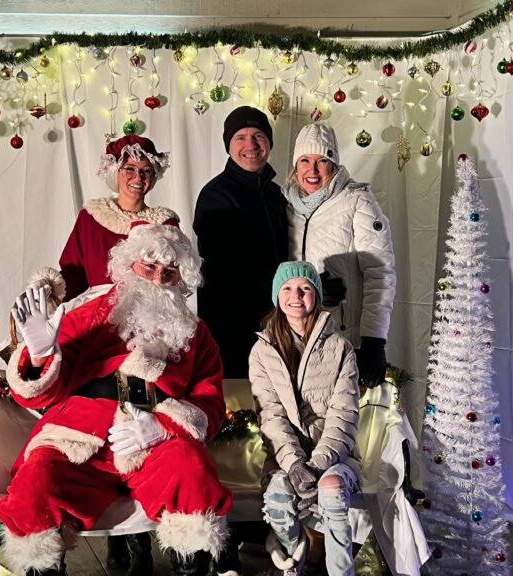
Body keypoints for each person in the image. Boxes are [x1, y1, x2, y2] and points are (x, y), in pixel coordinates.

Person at [0, 221, 232, 576]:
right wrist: (41, 354)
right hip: (79, 436)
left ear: (181, 278)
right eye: (148, 267)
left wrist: (164, 427)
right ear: (129, 265)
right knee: (36, 481)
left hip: (153, 441)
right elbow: (37, 394)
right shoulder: (90, 314)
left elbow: (210, 401)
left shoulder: (195, 333)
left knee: (191, 469)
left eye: (169, 272)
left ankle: (193, 565)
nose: (157, 278)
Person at [250, 261, 361, 576]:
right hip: (285, 458)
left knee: (333, 486)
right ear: (277, 296)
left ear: (317, 295)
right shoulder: (262, 351)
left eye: (305, 288)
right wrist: (294, 463)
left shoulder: (341, 348)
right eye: (287, 288)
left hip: (334, 455)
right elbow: (270, 414)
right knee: (279, 495)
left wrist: (319, 462)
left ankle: (341, 570)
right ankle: (292, 559)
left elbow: (344, 414)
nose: (295, 295)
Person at [284, 123, 396, 388]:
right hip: (295, 340)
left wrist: (373, 341)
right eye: (305, 160)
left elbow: (380, 273)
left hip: (344, 339)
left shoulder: (358, 201)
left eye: (322, 160)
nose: (312, 170)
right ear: (295, 165)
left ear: (334, 164)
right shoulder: (286, 206)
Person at [193, 106, 288, 379]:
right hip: (231, 326)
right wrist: (286, 288)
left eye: (258, 135)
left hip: (276, 321)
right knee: (239, 408)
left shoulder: (276, 193)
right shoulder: (216, 194)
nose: (251, 145)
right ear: (228, 145)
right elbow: (228, 266)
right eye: (240, 137)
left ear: (269, 142)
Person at [57, 134, 178, 302]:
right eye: (130, 168)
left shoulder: (164, 223)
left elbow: (173, 279)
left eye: (146, 170)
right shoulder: (91, 218)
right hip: (98, 317)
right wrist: (50, 289)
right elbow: (74, 273)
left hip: (148, 318)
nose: (138, 177)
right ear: (115, 171)